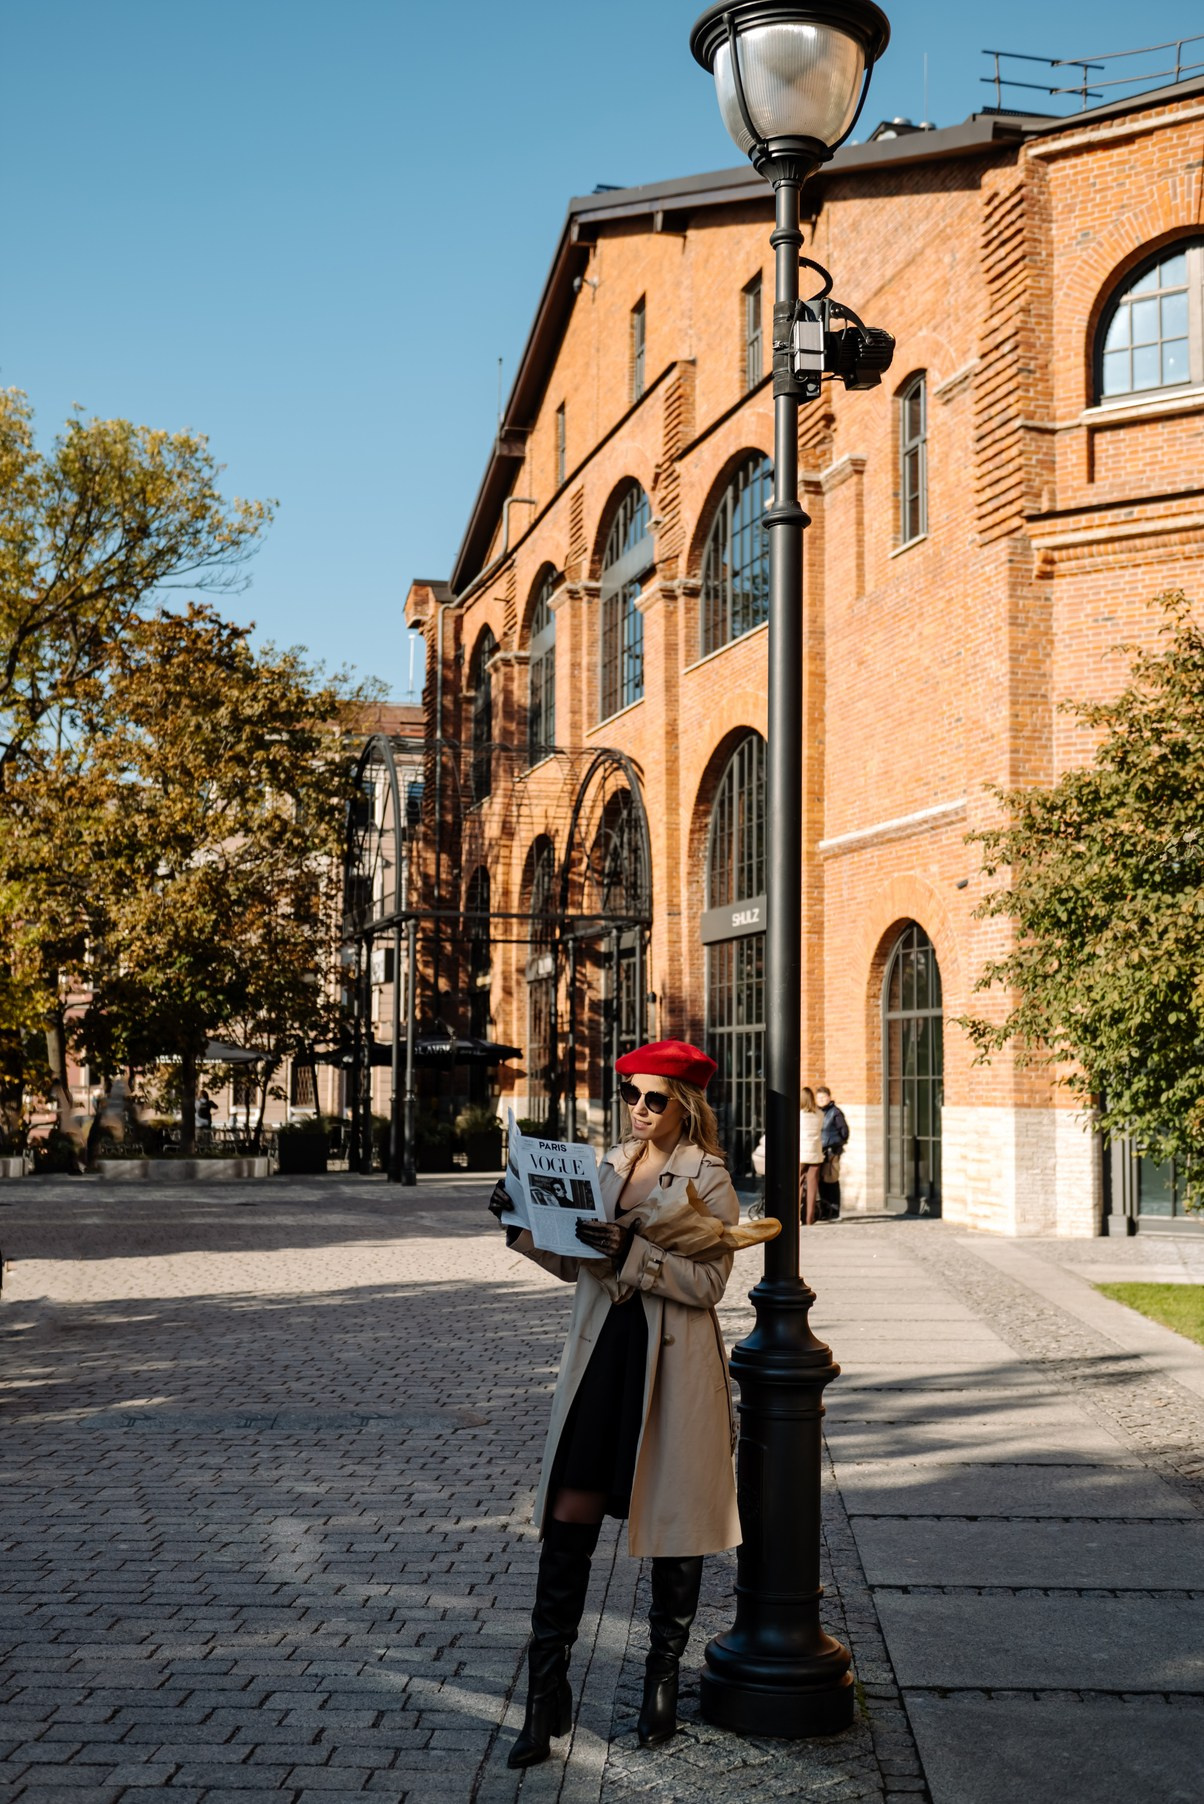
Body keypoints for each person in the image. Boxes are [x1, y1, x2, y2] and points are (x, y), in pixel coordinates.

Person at [489, 1038, 778, 1768]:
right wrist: (520, 1222)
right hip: (601, 1355)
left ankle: (660, 1682)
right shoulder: (609, 1164)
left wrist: (632, 1256)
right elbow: (576, 1262)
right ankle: (545, 1695)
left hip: (671, 1365)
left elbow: (709, 1286)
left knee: (675, 1523)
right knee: (568, 1516)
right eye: (631, 1095)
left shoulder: (708, 1177)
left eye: (655, 1099)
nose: (640, 1110)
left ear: (684, 1105)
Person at [816, 1085, 849, 1221]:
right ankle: (825, 1211)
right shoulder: (817, 1112)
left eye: (823, 1097)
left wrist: (836, 1145)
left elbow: (844, 1132)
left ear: (829, 1097)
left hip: (831, 1152)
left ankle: (834, 1211)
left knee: (832, 1180)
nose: (821, 1100)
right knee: (822, 1182)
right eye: (819, 1097)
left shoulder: (835, 1113)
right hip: (820, 1151)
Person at [799, 1085, 824, 1226]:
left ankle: (796, 1218)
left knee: (798, 1185)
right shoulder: (820, 1114)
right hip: (815, 1153)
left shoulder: (798, 1115)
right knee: (813, 1187)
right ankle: (809, 1218)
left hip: (801, 1154)